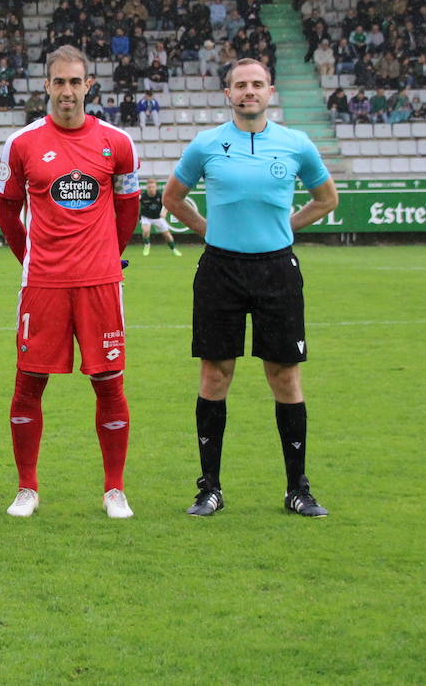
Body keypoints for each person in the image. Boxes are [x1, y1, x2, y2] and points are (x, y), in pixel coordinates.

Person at [162, 58, 339, 519]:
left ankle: (297, 488)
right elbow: (173, 198)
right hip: (221, 269)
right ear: (228, 94)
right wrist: (207, 230)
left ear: (270, 91)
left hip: (277, 270)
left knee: (284, 375)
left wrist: (288, 226)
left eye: (257, 84)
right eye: (240, 85)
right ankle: (210, 488)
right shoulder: (206, 144)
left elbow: (327, 199)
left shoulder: (296, 144)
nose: (249, 92)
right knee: (215, 374)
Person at [0, 45, 140, 520]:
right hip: (44, 283)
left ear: (89, 86)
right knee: (28, 383)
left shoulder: (117, 142)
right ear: (46, 86)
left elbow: (127, 209)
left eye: (76, 82)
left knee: (108, 383)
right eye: (59, 82)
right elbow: (8, 213)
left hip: (100, 284)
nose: (67, 91)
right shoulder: (22, 143)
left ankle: (114, 489)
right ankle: (26, 488)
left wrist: (107, 257)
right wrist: (31, 260)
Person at [138, 177, 181, 257]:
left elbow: (167, 204)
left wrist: (164, 212)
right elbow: (135, 204)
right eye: (149, 187)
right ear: (147, 187)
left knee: (167, 236)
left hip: (158, 218)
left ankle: (174, 249)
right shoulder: (142, 196)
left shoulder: (161, 196)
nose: (151, 189)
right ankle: (147, 245)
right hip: (146, 217)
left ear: (156, 187)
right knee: (146, 230)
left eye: (153, 187)